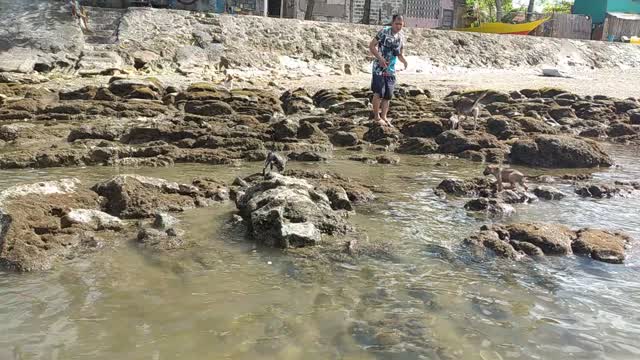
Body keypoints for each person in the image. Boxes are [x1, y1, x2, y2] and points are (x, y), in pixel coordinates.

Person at [368, 14, 408, 127]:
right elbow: (371, 46)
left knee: (388, 95)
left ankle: (384, 117)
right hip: (379, 68)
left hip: (391, 69)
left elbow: (399, 54)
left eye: (401, 24)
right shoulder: (384, 32)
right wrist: (380, 58)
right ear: (392, 23)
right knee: (378, 93)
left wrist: (404, 61)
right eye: (397, 23)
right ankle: (376, 117)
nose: (398, 26)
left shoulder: (401, 37)